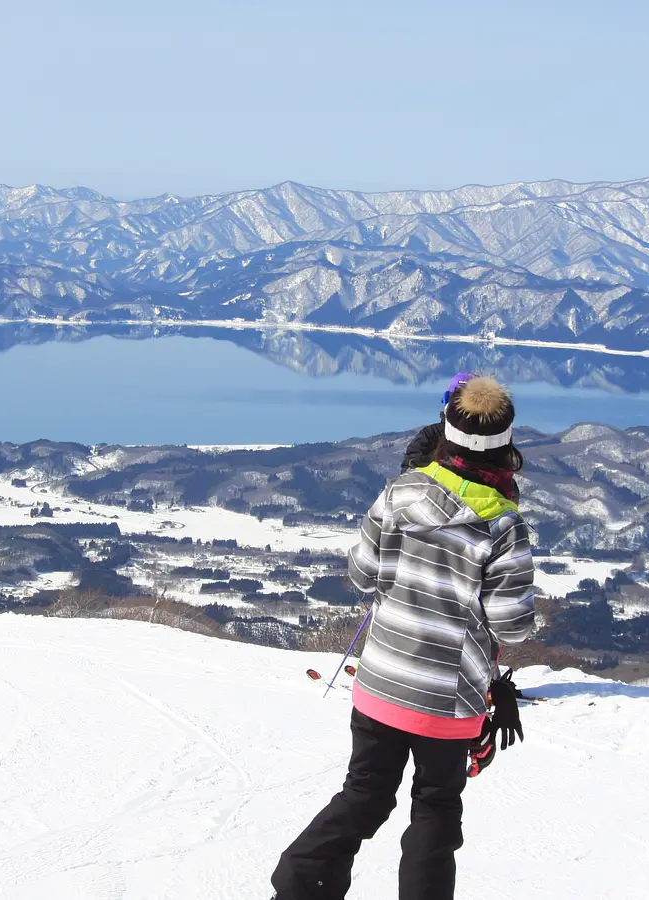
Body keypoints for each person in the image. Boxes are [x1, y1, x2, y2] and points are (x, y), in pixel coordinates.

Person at [270, 375, 537, 900]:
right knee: (435, 813)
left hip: (381, 681)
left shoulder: (399, 492)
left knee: (364, 795)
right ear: (506, 444)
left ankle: (300, 886)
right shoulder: (504, 525)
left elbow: (363, 575)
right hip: (447, 700)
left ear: (445, 430)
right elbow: (512, 625)